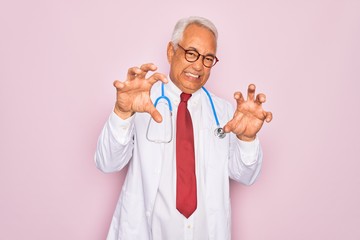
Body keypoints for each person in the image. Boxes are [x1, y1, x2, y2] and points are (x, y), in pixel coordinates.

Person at [95, 16, 272, 240]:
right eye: (191, 53)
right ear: (171, 51)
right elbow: (108, 163)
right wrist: (122, 113)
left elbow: (245, 176)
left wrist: (248, 139)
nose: (198, 65)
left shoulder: (225, 113)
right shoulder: (140, 102)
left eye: (208, 58)